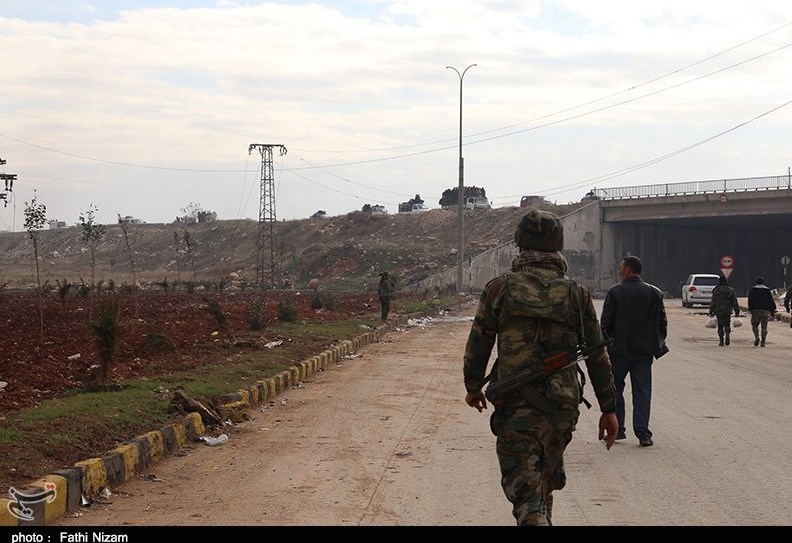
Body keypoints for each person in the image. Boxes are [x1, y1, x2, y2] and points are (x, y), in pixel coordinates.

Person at [462, 209, 618, 526]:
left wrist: (473, 386)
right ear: (558, 246)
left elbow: (479, 341)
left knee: (526, 493)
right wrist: (609, 407)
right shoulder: (577, 294)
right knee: (543, 483)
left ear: (520, 244)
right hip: (562, 406)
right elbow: (597, 354)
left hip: (516, 404)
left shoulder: (500, 288)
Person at [600, 255, 668, 448]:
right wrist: (654, 345)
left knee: (616, 390)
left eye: (621, 267)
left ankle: (618, 429)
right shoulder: (654, 293)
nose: (619, 271)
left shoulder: (615, 292)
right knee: (642, 392)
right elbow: (662, 325)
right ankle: (643, 433)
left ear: (628, 270)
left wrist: (610, 346)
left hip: (619, 353)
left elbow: (604, 325)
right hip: (643, 354)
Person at [709, 275, 740, 346]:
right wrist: (737, 311)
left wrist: (711, 311)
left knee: (720, 325)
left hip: (719, 310)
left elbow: (713, 301)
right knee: (727, 324)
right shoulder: (731, 290)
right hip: (727, 310)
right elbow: (734, 302)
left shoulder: (716, 290)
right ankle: (727, 335)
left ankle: (721, 341)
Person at [747, 276, 776, 347]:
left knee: (755, 325)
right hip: (765, 311)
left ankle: (757, 337)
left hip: (755, 310)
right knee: (764, 326)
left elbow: (750, 300)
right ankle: (763, 341)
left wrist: (750, 309)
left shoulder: (753, 290)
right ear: (764, 282)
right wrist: (772, 311)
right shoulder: (767, 290)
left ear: (756, 282)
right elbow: (771, 301)